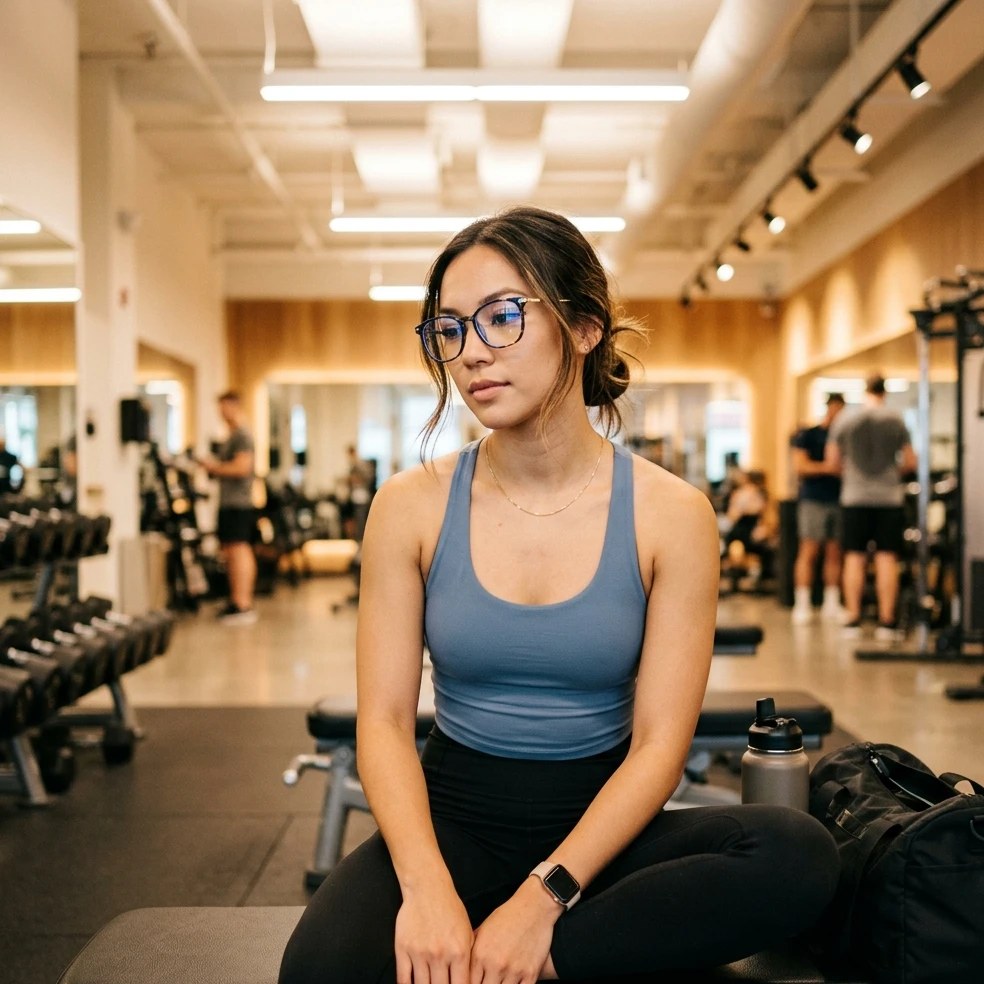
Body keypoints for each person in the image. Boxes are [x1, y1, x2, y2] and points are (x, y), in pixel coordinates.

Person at [279, 206, 838, 984]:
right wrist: (427, 889)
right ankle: (560, 962)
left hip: (604, 831)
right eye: (449, 330)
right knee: (317, 973)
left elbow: (658, 747)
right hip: (456, 817)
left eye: (502, 317)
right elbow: (379, 722)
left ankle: (529, 961)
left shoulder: (672, 515)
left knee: (795, 853)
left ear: (583, 328)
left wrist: (542, 902)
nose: (471, 353)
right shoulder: (409, 506)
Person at [825, 373, 917, 640]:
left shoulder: (846, 419)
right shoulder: (896, 419)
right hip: (889, 498)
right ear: (884, 392)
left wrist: (855, 475)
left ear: (864, 390)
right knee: (887, 558)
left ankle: (853, 619)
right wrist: (889, 475)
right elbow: (910, 462)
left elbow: (832, 462)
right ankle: (887, 623)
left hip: (855, 497)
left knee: (854, 557)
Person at [789, 394, 846, 624]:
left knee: (835, 553)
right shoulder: (809, 435)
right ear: (829, 409)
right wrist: (829, 468)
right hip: (813, 500)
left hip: (838, 499)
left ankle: (831, 603)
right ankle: (801, 603)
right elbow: (800, 466)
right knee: (809, 551)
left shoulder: (844, 438)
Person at [202, 391, 258, 625]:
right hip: (228, 503)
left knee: (239, 550)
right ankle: (236, 601)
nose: (221, 412)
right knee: (230, 552)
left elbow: (242, 468)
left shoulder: (242, 436)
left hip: (238, 503)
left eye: (224, 407)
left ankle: (243, 604)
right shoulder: (231, 436)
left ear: (235, 406)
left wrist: (214, 467)